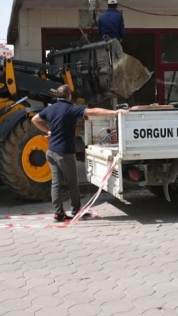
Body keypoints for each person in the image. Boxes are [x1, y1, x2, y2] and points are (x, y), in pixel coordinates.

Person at [31, 84, 130, 222]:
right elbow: (93, 111)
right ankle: (76, 210)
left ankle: (58, 213)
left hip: (51, 151)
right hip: (64, 152)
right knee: (73, 182)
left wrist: (48, 131)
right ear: (68, 96)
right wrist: (115, 112)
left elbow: (34, 119)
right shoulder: (71, 109)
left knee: (56, 183)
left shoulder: (50, 109)